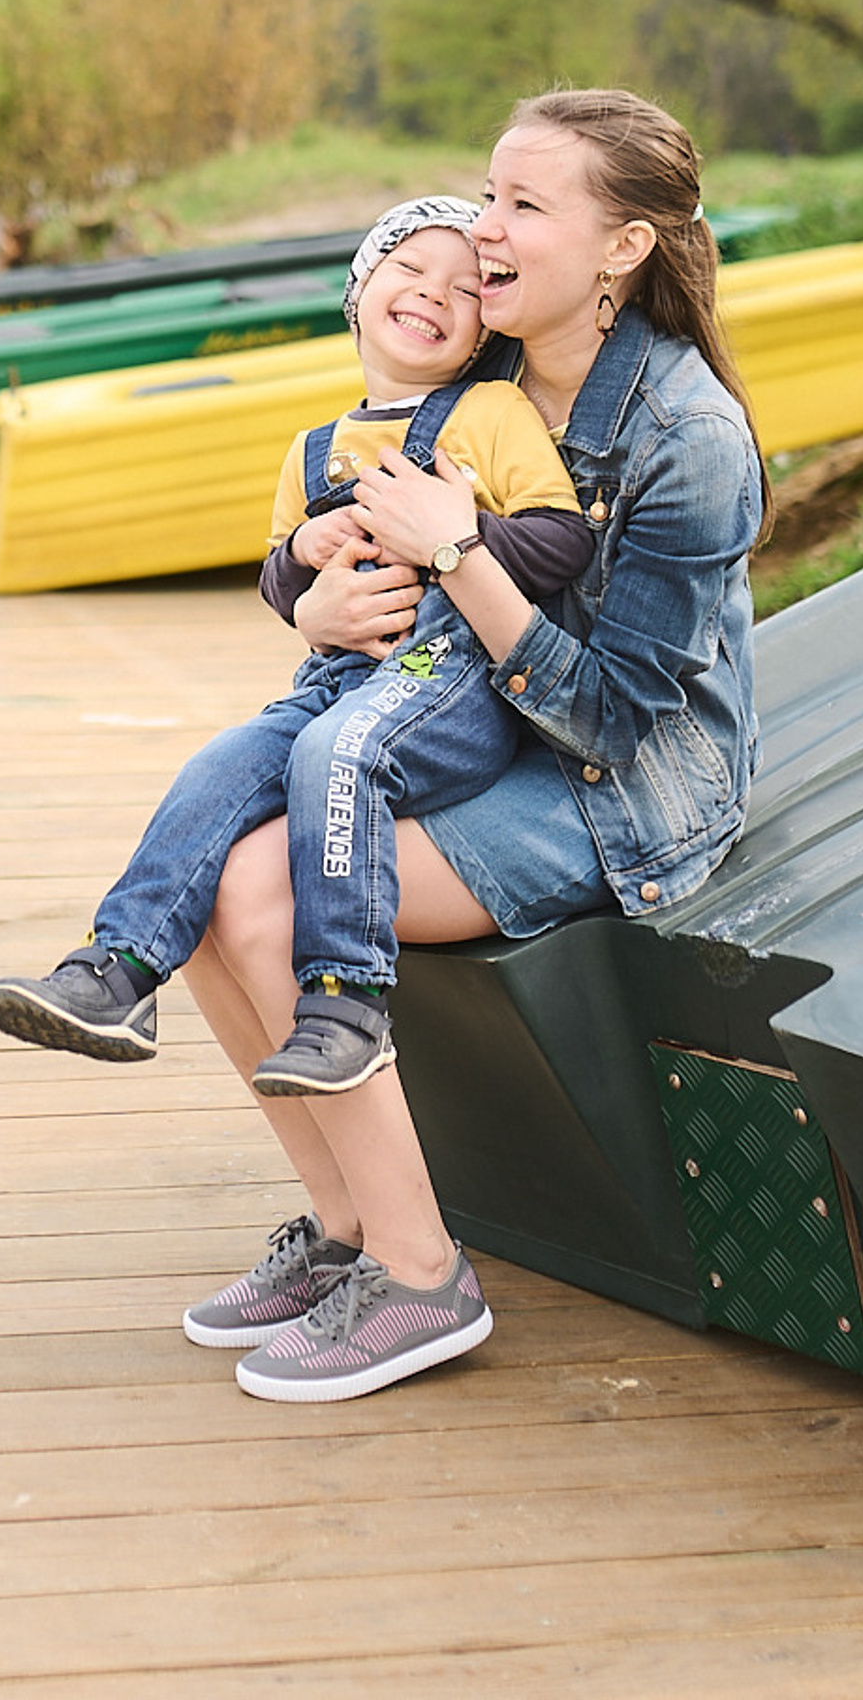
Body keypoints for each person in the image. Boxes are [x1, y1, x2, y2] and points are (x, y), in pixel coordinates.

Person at [177, 89, 771, 1404]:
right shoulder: (479, 372)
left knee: (266, 910)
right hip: (467, 728)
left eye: (523, 207)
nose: (481, 231)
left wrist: (461, 550)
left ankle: (422, 1274)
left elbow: (617, 715)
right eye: (486, 193)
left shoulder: (689, 439)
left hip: (616, 785)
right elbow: (339, 542)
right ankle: (345, 1229)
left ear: (620, 249)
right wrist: (313, 599)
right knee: (219, 877)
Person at [0, 196, 592, 1095]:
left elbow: (563, 542)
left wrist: (451, 534)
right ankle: (120, 970)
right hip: (337, 678)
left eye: (465, 289)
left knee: (333, 753)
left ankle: (346, 1004)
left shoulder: (492, 413)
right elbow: (282, 583)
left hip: (453, 685)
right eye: (409, 271)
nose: (433, 295)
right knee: (224, 762)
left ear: (479, 334)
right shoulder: (313, 449)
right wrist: (303, 556)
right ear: (361, 291)